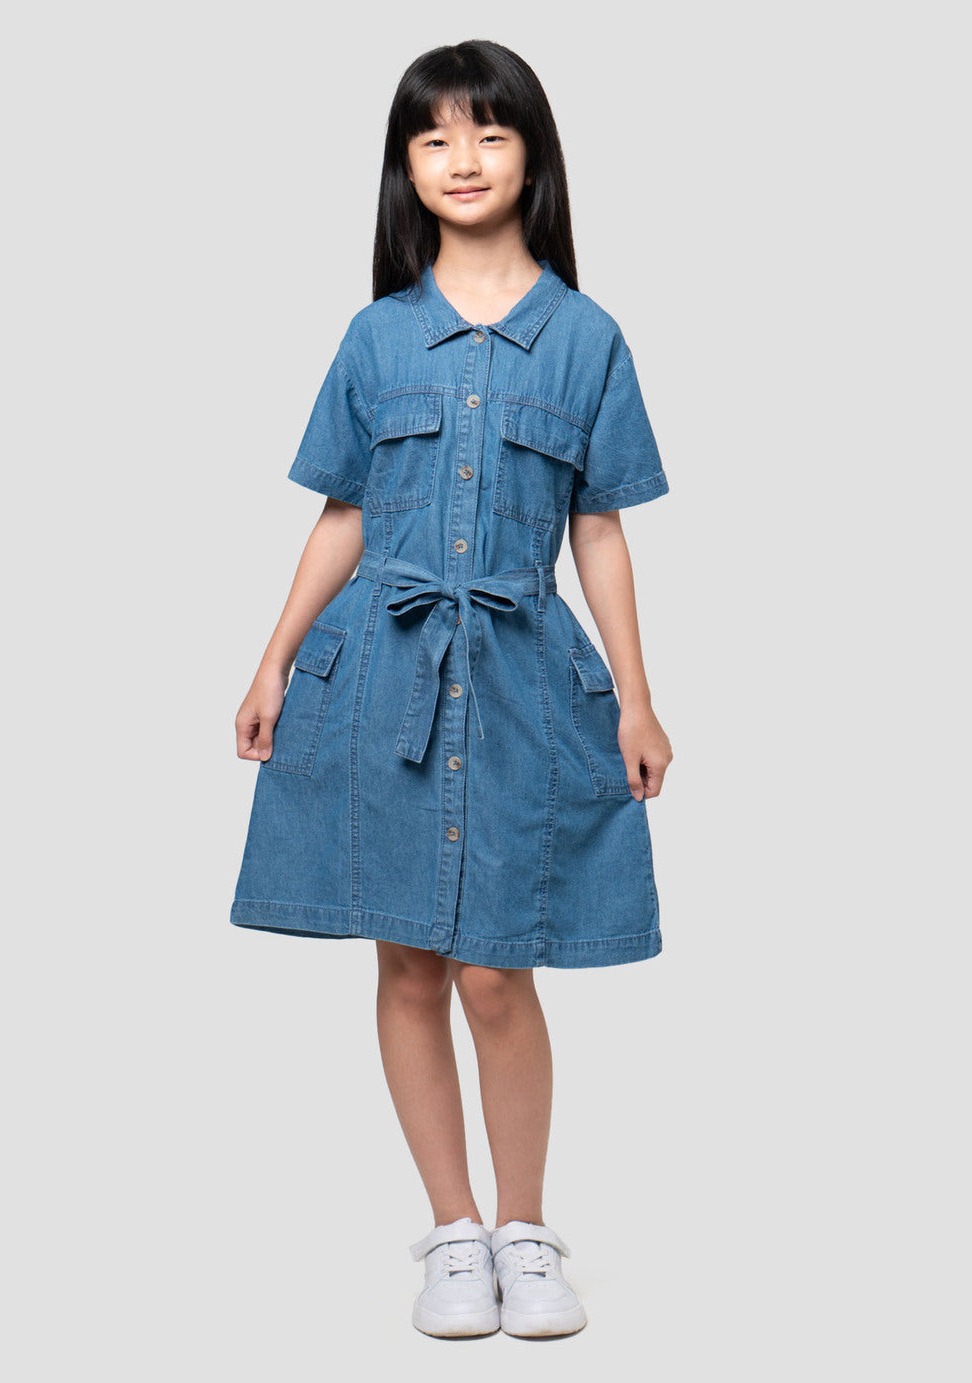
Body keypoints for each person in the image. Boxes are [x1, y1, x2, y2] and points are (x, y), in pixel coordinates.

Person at [230, 39, 673, 1340]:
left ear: (533, 154)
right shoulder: (377, 336)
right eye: (434, 138)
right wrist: (271, 659)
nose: (463, 159)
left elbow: (599, 529)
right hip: (381, 674)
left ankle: (526, 1231)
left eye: (489, 133)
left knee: (495, 971)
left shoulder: (587, 338)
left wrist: (637, 697)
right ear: (406, 168)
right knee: (412, 962)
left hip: (526, 677)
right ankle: (453, 1233)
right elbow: (343, 513)